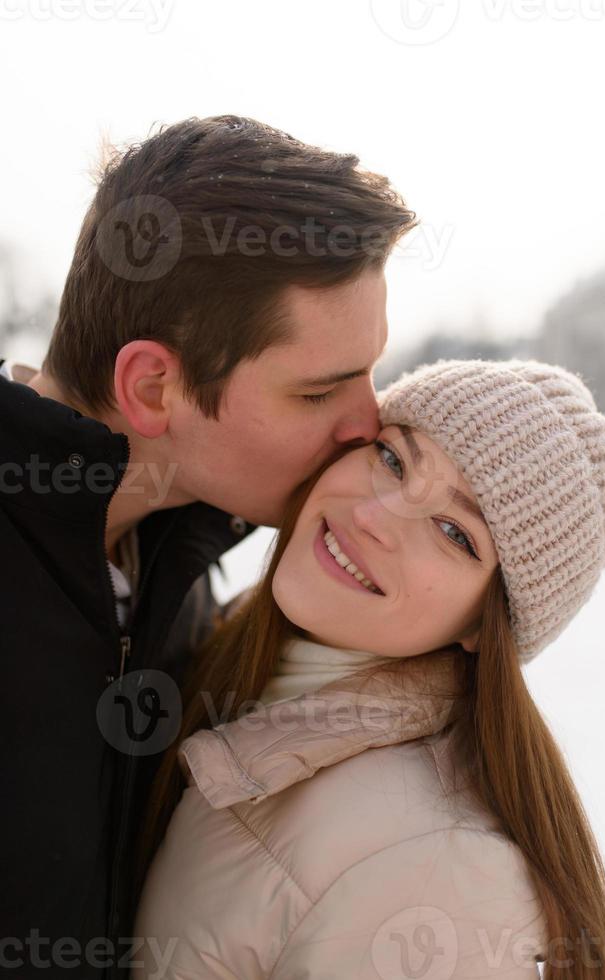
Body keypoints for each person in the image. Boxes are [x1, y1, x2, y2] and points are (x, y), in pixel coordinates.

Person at [0, 115, 417, 979]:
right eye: (319, 391)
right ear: (154, 386)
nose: (368, 424)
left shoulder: (173, 565)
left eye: (371, 371)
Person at [133, 358, 605, 980]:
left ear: (483, 629)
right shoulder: (218, 654)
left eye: (454, 533)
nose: (374, 516)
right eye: (393, 459)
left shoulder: (441, 872)